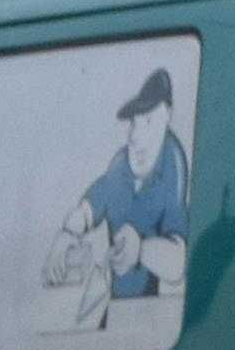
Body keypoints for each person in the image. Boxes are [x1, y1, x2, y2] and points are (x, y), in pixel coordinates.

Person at [43, 67, 191, 327]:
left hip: (151, 321)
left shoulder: (171, 168)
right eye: (134, 123)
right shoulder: (121, 167)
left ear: (166, 117)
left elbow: (178, 261)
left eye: (147, 122)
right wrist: (66, 234)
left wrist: (141, 250)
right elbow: (91, 206)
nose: (135, 136)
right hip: (110, 310)